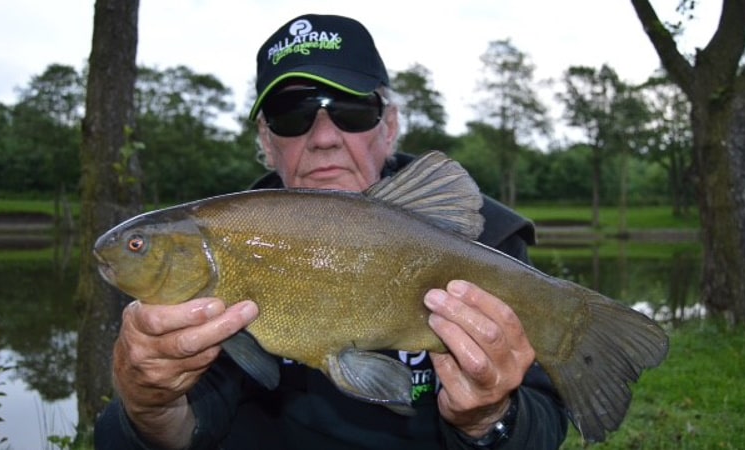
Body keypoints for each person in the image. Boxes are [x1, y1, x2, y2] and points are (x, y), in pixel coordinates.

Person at [94, 13, 568, 449]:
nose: (323, 137)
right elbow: (181, 431)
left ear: (390, 125)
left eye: (350, 109)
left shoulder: (484, 241)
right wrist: (147, 403)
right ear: (266, 140)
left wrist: (490, 419)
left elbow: (543, 426)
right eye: (292, 114)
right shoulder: (228, 244)